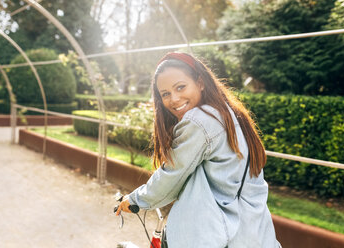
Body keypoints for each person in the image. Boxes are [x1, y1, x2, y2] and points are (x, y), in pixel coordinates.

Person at [116, 52, 281, 248]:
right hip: (256, 234)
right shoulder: (228, 113)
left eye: (180, 87)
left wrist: (135, 199)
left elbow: (172, 175)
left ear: (200, 83)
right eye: (165, 94)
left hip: (223, 238)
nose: (174, 99)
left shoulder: (200, 120)